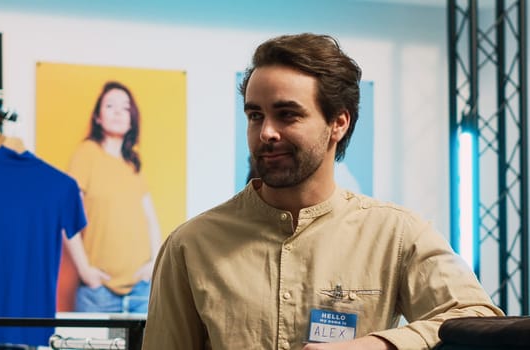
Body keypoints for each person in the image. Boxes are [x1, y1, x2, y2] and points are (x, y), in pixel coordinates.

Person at [141, 33, 503, 350]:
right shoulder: (190, 246)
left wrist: (381, 344)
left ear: (338, 123)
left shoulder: (396, 235)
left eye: (287, 115)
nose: (266, 132)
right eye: (255, 115)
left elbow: (477, 318)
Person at [60, 81, 162, 313]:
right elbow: (66, 216)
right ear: (97, 117)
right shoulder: (85, 154)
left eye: (125, 108)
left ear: (131, 118)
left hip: (141, 290)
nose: (118, 112)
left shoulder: (133, 162)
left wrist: (153, 264)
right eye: (110, 106)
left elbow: (150, 220)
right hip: (99, 292)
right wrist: (85, 271)